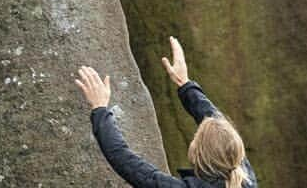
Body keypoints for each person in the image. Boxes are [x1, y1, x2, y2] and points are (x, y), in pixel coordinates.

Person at [75, 37, 256, 188]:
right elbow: (214, 120)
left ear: (197, 154)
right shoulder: (245, 179)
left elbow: (123, 159)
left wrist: (99, 108)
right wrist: (185, 84)